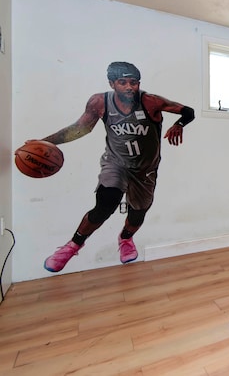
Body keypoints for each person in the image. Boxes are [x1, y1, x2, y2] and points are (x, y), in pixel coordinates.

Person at [38, 62, 195, 272]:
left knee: (138, 212)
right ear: (112, 84)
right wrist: (44, 143)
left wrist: (179, 125)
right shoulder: (100, 102)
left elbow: (188, 111)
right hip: (116, 164)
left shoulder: (150, 101)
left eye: (134, 82)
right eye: (123, 82)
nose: (129, 87)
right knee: (105, 204)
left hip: (145, 170)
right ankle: (73, 245)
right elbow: (79, 129)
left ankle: (125, 238)